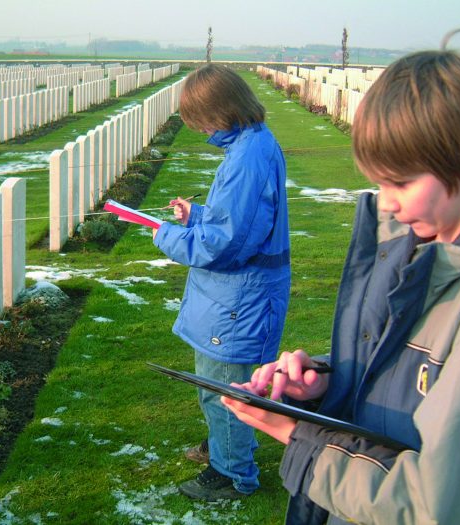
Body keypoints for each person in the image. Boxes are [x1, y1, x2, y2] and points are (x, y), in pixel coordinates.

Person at [222, 50, 460, 524]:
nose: (388, 203)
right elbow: (417, 377)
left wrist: (297, 438)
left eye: (400, 182)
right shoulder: (424, 244)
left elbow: (437, 504)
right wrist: (327, 383)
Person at [152, 63, 291, 500]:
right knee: (221, 381)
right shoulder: (250, 145)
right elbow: (241, 223)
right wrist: (196, 216)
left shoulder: (249, 157)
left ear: (222, 110)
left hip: (239, 296)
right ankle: (227, 445)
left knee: (223, 386)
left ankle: (232, 474)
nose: (202, 130)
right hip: (234, 293)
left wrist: (168, 236)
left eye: (203, 121)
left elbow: (225, 245)